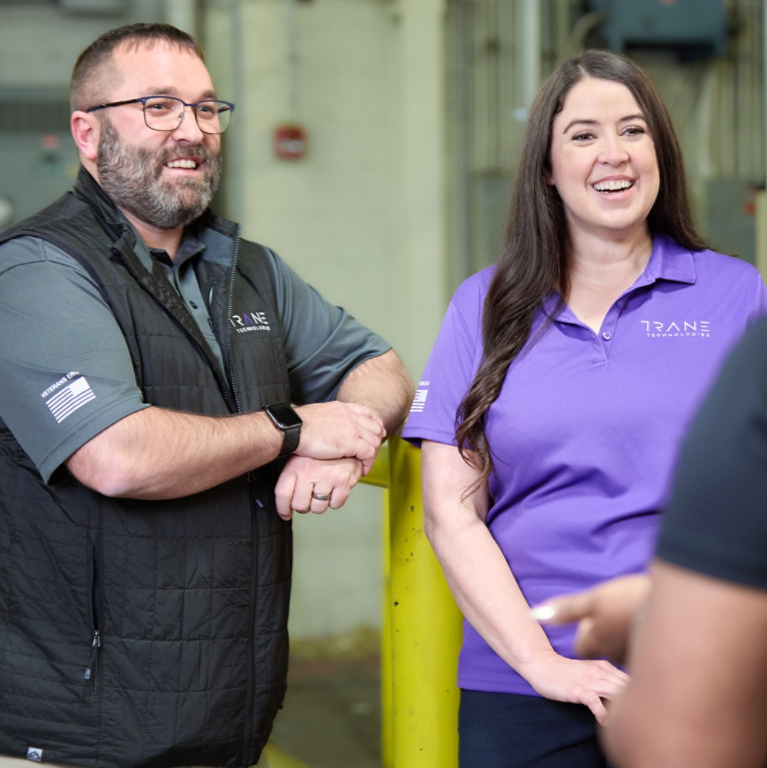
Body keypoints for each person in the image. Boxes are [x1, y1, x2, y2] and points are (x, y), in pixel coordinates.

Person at [0, 23, 413, 768]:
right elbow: (117, 454)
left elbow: (379, 366)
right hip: (74, 738)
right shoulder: (37, 273)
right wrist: (291, 429)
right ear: (87, 134)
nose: (191, 131)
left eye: (206, 108)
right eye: (159, 107)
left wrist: (347, 445)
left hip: (226, 721)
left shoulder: (248, 270)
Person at [401, 49, 767, 768]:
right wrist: (542, 664)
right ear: (546, 166)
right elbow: (451, 511)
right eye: (582, 135)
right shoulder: (483, 306)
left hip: (701, 667)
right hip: (521, 681)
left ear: (659, 151)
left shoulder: (735, 294)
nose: (614, 154)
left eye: (633, 131)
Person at [541, 317, 767, 767]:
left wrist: (664, 620)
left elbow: (682, 746)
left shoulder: (747, 327)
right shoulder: (481, 300)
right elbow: (450, 506)